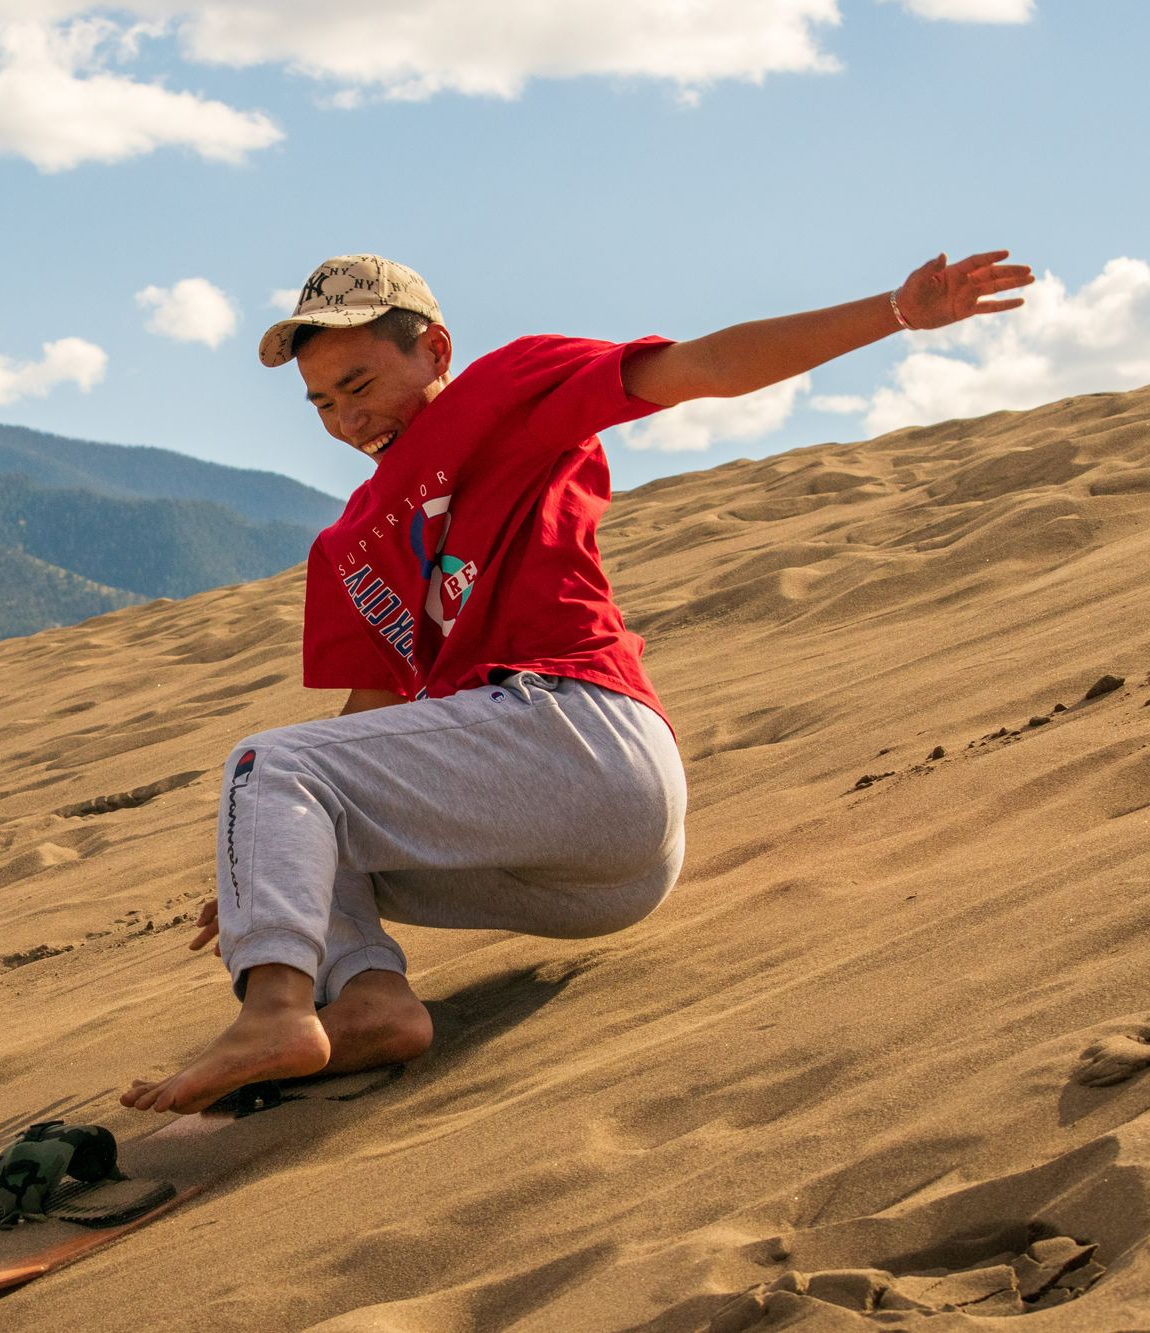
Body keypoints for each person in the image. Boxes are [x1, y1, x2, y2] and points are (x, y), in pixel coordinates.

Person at [121, 249, 1033, 1115]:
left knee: (268, 763)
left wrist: (895, 311)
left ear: (434, 349)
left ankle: (275, 1012)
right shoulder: (350, 542)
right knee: (294, 805)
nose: (346, 421)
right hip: (593, 876)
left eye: (358, 386)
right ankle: (369, 1001)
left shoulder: (506, 393)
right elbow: (372, 718)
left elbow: (703, 366)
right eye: (322, 403)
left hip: (583, 732)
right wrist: (268, 861)